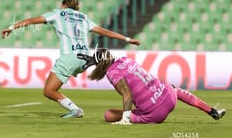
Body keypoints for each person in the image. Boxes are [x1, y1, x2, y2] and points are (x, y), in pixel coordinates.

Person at [1, 0, 141, 118]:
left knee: (49, 91)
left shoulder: (58, 13)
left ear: (64, 5)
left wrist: (12, 27)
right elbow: (104, 31)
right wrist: (128, 39)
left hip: (70, 57)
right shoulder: (83, 17)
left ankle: (75, 109)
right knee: (52, 88)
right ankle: (75, 109)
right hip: (86, 59)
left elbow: (34, 20)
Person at [77, 48, 226, 124]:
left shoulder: (112, 73)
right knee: (174, 89)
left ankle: (129, 117)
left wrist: (126, 118)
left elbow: (127, 94)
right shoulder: (125, 59)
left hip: (155, 113)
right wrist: (96, 60)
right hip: (168, 97)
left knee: (109, 115)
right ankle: (212, 110)